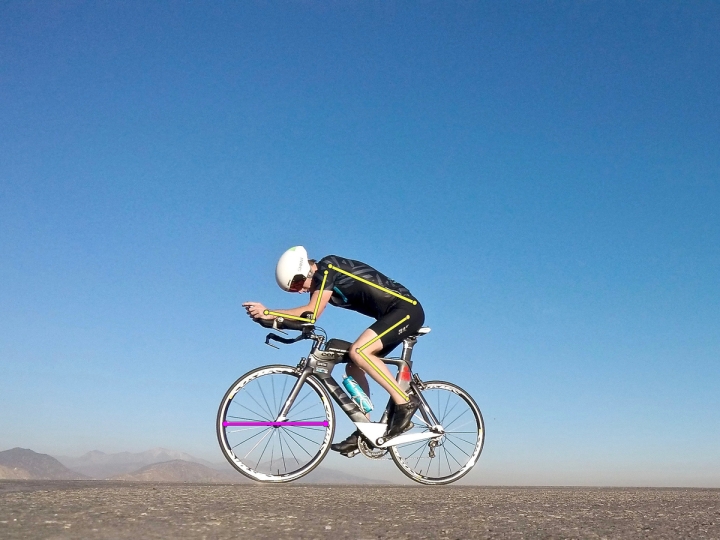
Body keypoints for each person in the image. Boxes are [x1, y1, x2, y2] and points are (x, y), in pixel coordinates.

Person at [243, 246, 425, 457]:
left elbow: (311, 314)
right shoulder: (321, 280)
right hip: (391, 315)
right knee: (354, 365)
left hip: (406, 309)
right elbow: (305, 319)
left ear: (306, 270)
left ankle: (405, 403)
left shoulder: (327, 267)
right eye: (293, 290)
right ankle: (366, 430)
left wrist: (268, 312)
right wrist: (271, 322)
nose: (300, 291)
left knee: (359, 351)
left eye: (297, 284)